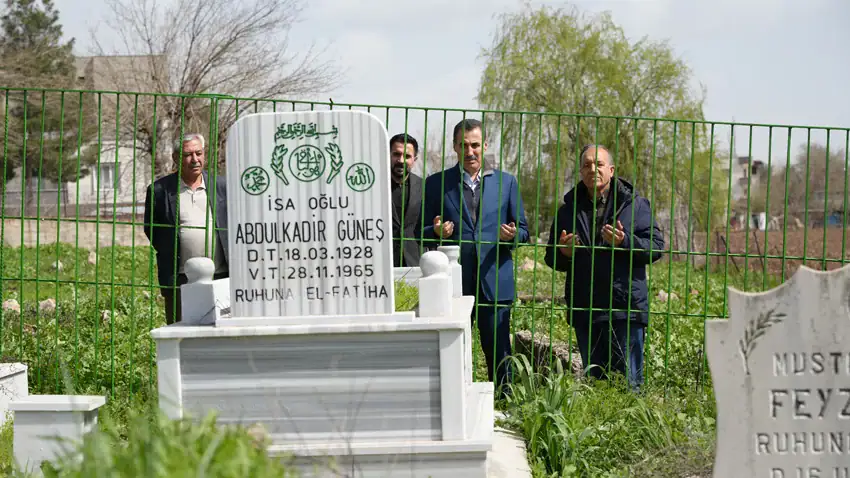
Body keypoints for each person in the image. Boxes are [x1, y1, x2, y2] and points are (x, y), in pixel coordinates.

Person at [417, 118, 529, 399]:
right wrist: (437, 231)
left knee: (499, 352)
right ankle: (458, 400)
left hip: (495, 280)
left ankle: (504, 403)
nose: (470, 151)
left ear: (486, 146)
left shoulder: (507, 183)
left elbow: (524, 231)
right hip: (455, 283)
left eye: (475, 145)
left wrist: (511, 235)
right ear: (455, 147)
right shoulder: (437, 184)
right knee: (455, 348)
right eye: (464, 145)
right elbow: (422, 231)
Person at [544, 144, 664, 392]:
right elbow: (551, 258)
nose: (592, 169)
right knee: (594, 384)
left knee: (629, 385)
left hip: (626, 307)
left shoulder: (636, 205)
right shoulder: (568, 210)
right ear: (580, 171)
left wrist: (624, 241)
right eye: (587, 165)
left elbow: (655, 248)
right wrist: (564, 253)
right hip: (586, 307)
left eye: (598, 164)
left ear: (611, 170)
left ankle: (630, 429)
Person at [143, 133, 229, 325]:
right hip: (179, 279)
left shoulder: (221, 186)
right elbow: (152, 230)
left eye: (199, 153)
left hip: (221, 276)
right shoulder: (160, 191)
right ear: (175, 158)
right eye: (188, 155)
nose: (195, 159)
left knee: (221, 329)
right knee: (181, 332)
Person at [389, 133, 424, 267]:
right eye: (396, 154)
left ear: (414, 160)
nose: (401, 160)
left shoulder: (424, 186)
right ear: (388, 155)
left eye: (407, 156)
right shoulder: (375, 186)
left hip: (414, 261)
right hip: (383, 260)